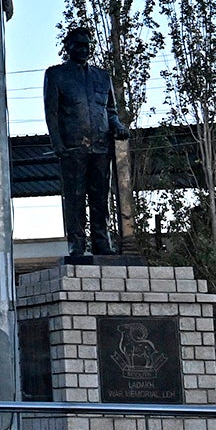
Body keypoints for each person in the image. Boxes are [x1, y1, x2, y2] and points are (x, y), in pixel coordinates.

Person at [43, 23, 128, 261]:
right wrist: (57, 144)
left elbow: (110, 110)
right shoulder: (56, 75)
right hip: (72, 147)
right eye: (78, 45)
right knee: (75, 198)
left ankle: (102, 243)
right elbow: (52, 113)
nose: (83, 49)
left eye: (87, 46)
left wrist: (118, 125)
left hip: (101, 146)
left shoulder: (102, 77)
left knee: (101, 198)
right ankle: (77, 246)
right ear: (68, 47)